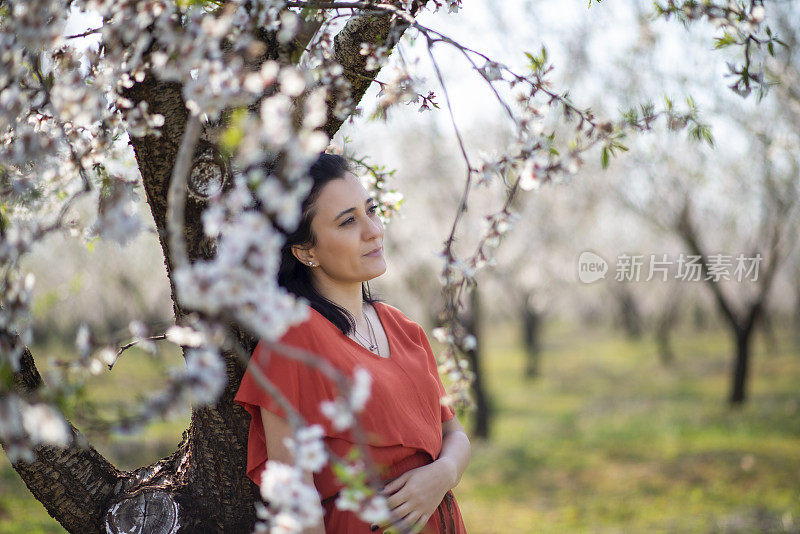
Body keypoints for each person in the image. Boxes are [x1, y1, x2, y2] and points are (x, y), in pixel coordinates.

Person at [234, 152, 471, 533]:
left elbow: (454, 435)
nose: (373, 230)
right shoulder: (293, 343)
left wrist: (441, 474)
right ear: (305, 251)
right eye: (348, 221)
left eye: (371, 210)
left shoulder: (405, 328)